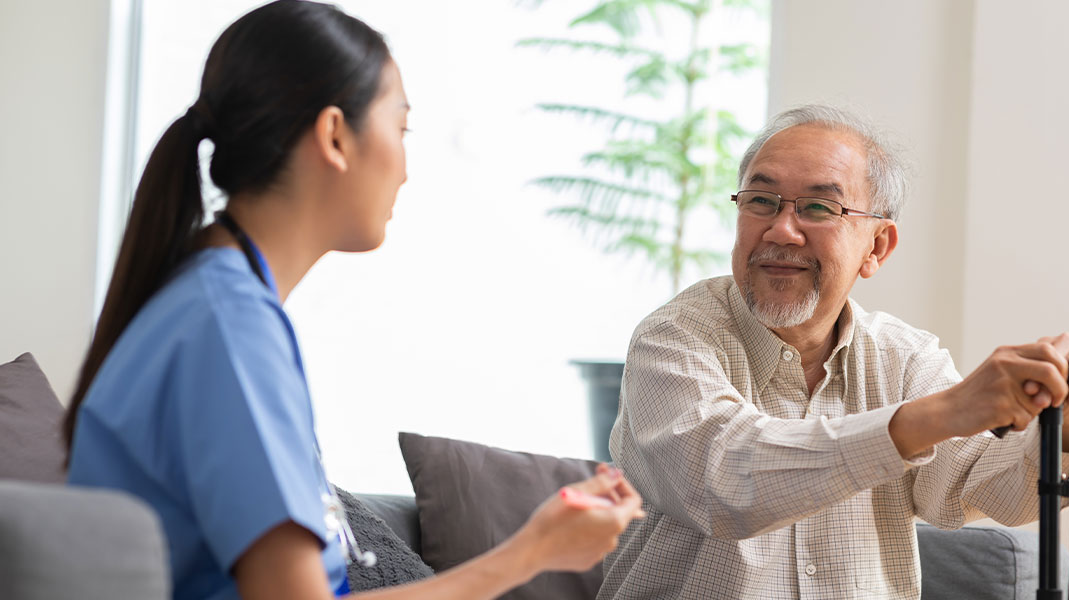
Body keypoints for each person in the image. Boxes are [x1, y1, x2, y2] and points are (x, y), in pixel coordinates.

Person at [64, 2, 644, 599]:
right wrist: (530, 554)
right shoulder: (229, 327)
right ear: (336, 135)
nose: (405, 170)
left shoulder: (215, 301)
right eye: (402, 128)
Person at [597, 104, 1069, 599]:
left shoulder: (904, 357)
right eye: (761, 201)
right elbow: (725, 483)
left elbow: (984, 490)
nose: (781, 229)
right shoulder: (674, 337)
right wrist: (940, 415)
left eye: (820, 208)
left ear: (877, 248)